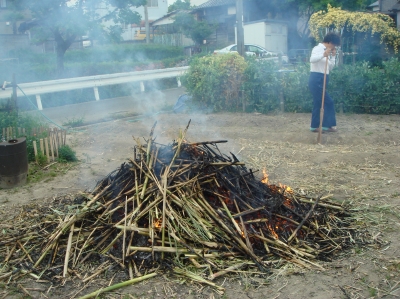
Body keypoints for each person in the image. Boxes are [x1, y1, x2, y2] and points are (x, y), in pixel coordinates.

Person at [309, 32, 341, 133]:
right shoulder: (317, 48)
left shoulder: (328, 51)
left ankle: (316, 126)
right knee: (328, 102)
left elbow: (330, 67)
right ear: (330, 42)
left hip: (324, 77)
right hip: (316, 78)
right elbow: (312, 60)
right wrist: (323, 54)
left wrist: (333, 56)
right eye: (334, 45)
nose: (334, 47)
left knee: (318, 102)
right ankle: (325, 125)